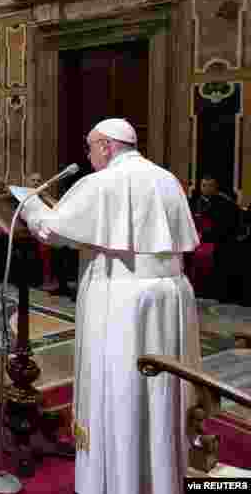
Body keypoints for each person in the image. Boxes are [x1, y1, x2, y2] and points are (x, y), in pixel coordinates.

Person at [18, 118, 200, 494]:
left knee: (122, 386)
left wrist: (30, 204)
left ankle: (119, 479)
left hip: (123, 298)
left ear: (107, 146)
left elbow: (52, 230)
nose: (88, 156)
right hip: (170, 295)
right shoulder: (167, 178)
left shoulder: (102, 182)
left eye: (90, 147)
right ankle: (161, 476)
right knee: (161, 391)